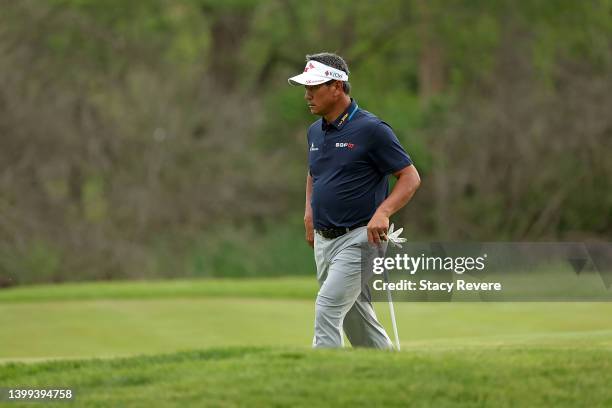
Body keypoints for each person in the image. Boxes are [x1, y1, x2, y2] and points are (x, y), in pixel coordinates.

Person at [288, 52, 421, 349]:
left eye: (314, 87)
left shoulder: (371, 129)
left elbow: (410, 177)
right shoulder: (315, 131)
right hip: (324, 240)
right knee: (356, 320)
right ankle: (388, 372)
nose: (307, 95)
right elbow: (315, 174)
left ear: (337, 87)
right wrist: (309, 212)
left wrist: (384, 212)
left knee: (327, 307)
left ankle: (322, 383)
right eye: (305, 88)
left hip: (360, 237)